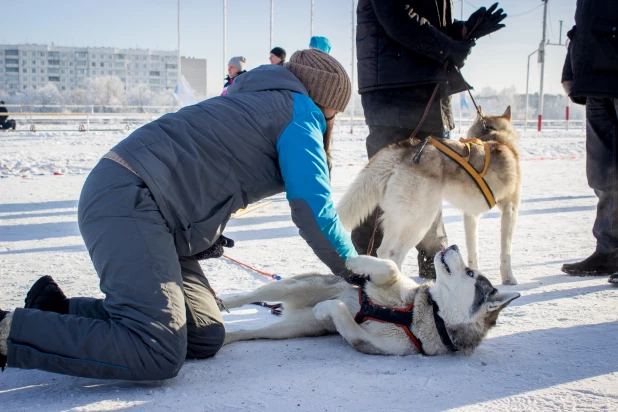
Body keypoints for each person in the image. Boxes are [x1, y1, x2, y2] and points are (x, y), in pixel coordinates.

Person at [0, 49, 357, 379]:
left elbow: (200, 172)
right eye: (335, 113)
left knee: (204, 335)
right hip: (130, 198)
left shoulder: (253, 98)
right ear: (326, 102)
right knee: (155, 348)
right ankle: (7, 332)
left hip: (146, 205)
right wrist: (357, 273)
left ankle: (56, 312)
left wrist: (202, 233)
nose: (333, 121)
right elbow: (314, 209)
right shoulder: (299, 113)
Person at [353, 0, 506, 278]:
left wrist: (464, 31)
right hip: (397, 90)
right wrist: (449, 47)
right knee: (388, 179)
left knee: (431, 176)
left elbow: (432, 26)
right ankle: (364, 270)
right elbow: (398, 18)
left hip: (429, 87)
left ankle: (434, 260)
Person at [560, 0, 618, 286]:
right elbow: (585, 20)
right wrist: (571, 65)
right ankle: (609, 251)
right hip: (595, 79)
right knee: (602, 172)